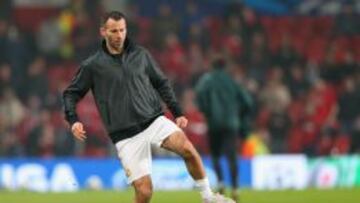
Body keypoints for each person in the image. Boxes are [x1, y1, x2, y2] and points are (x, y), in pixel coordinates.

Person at [62, 11, 234, 203]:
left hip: (153, 120)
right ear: (103, 32)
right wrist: (73, 120)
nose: (119, 35)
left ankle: (208, 197)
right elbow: (71, 93)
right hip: (125, 135)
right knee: (144, 193)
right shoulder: (93, 65)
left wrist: (177, 112)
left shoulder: (141, 55)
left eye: (122, 30)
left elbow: (161, 82)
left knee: (187, 149)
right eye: (114, 31)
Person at [195, 59, 253, 202]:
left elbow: (199, 93)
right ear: (225, 66)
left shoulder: (207, 80)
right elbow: (247, 102)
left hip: (214, 123)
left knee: (216, 155)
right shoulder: (232, 81)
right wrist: (238, 115)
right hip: (231, 124)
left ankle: (221, 183)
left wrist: (206, 110)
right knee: (232, 156)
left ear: (212, 66)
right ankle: (235, 188)